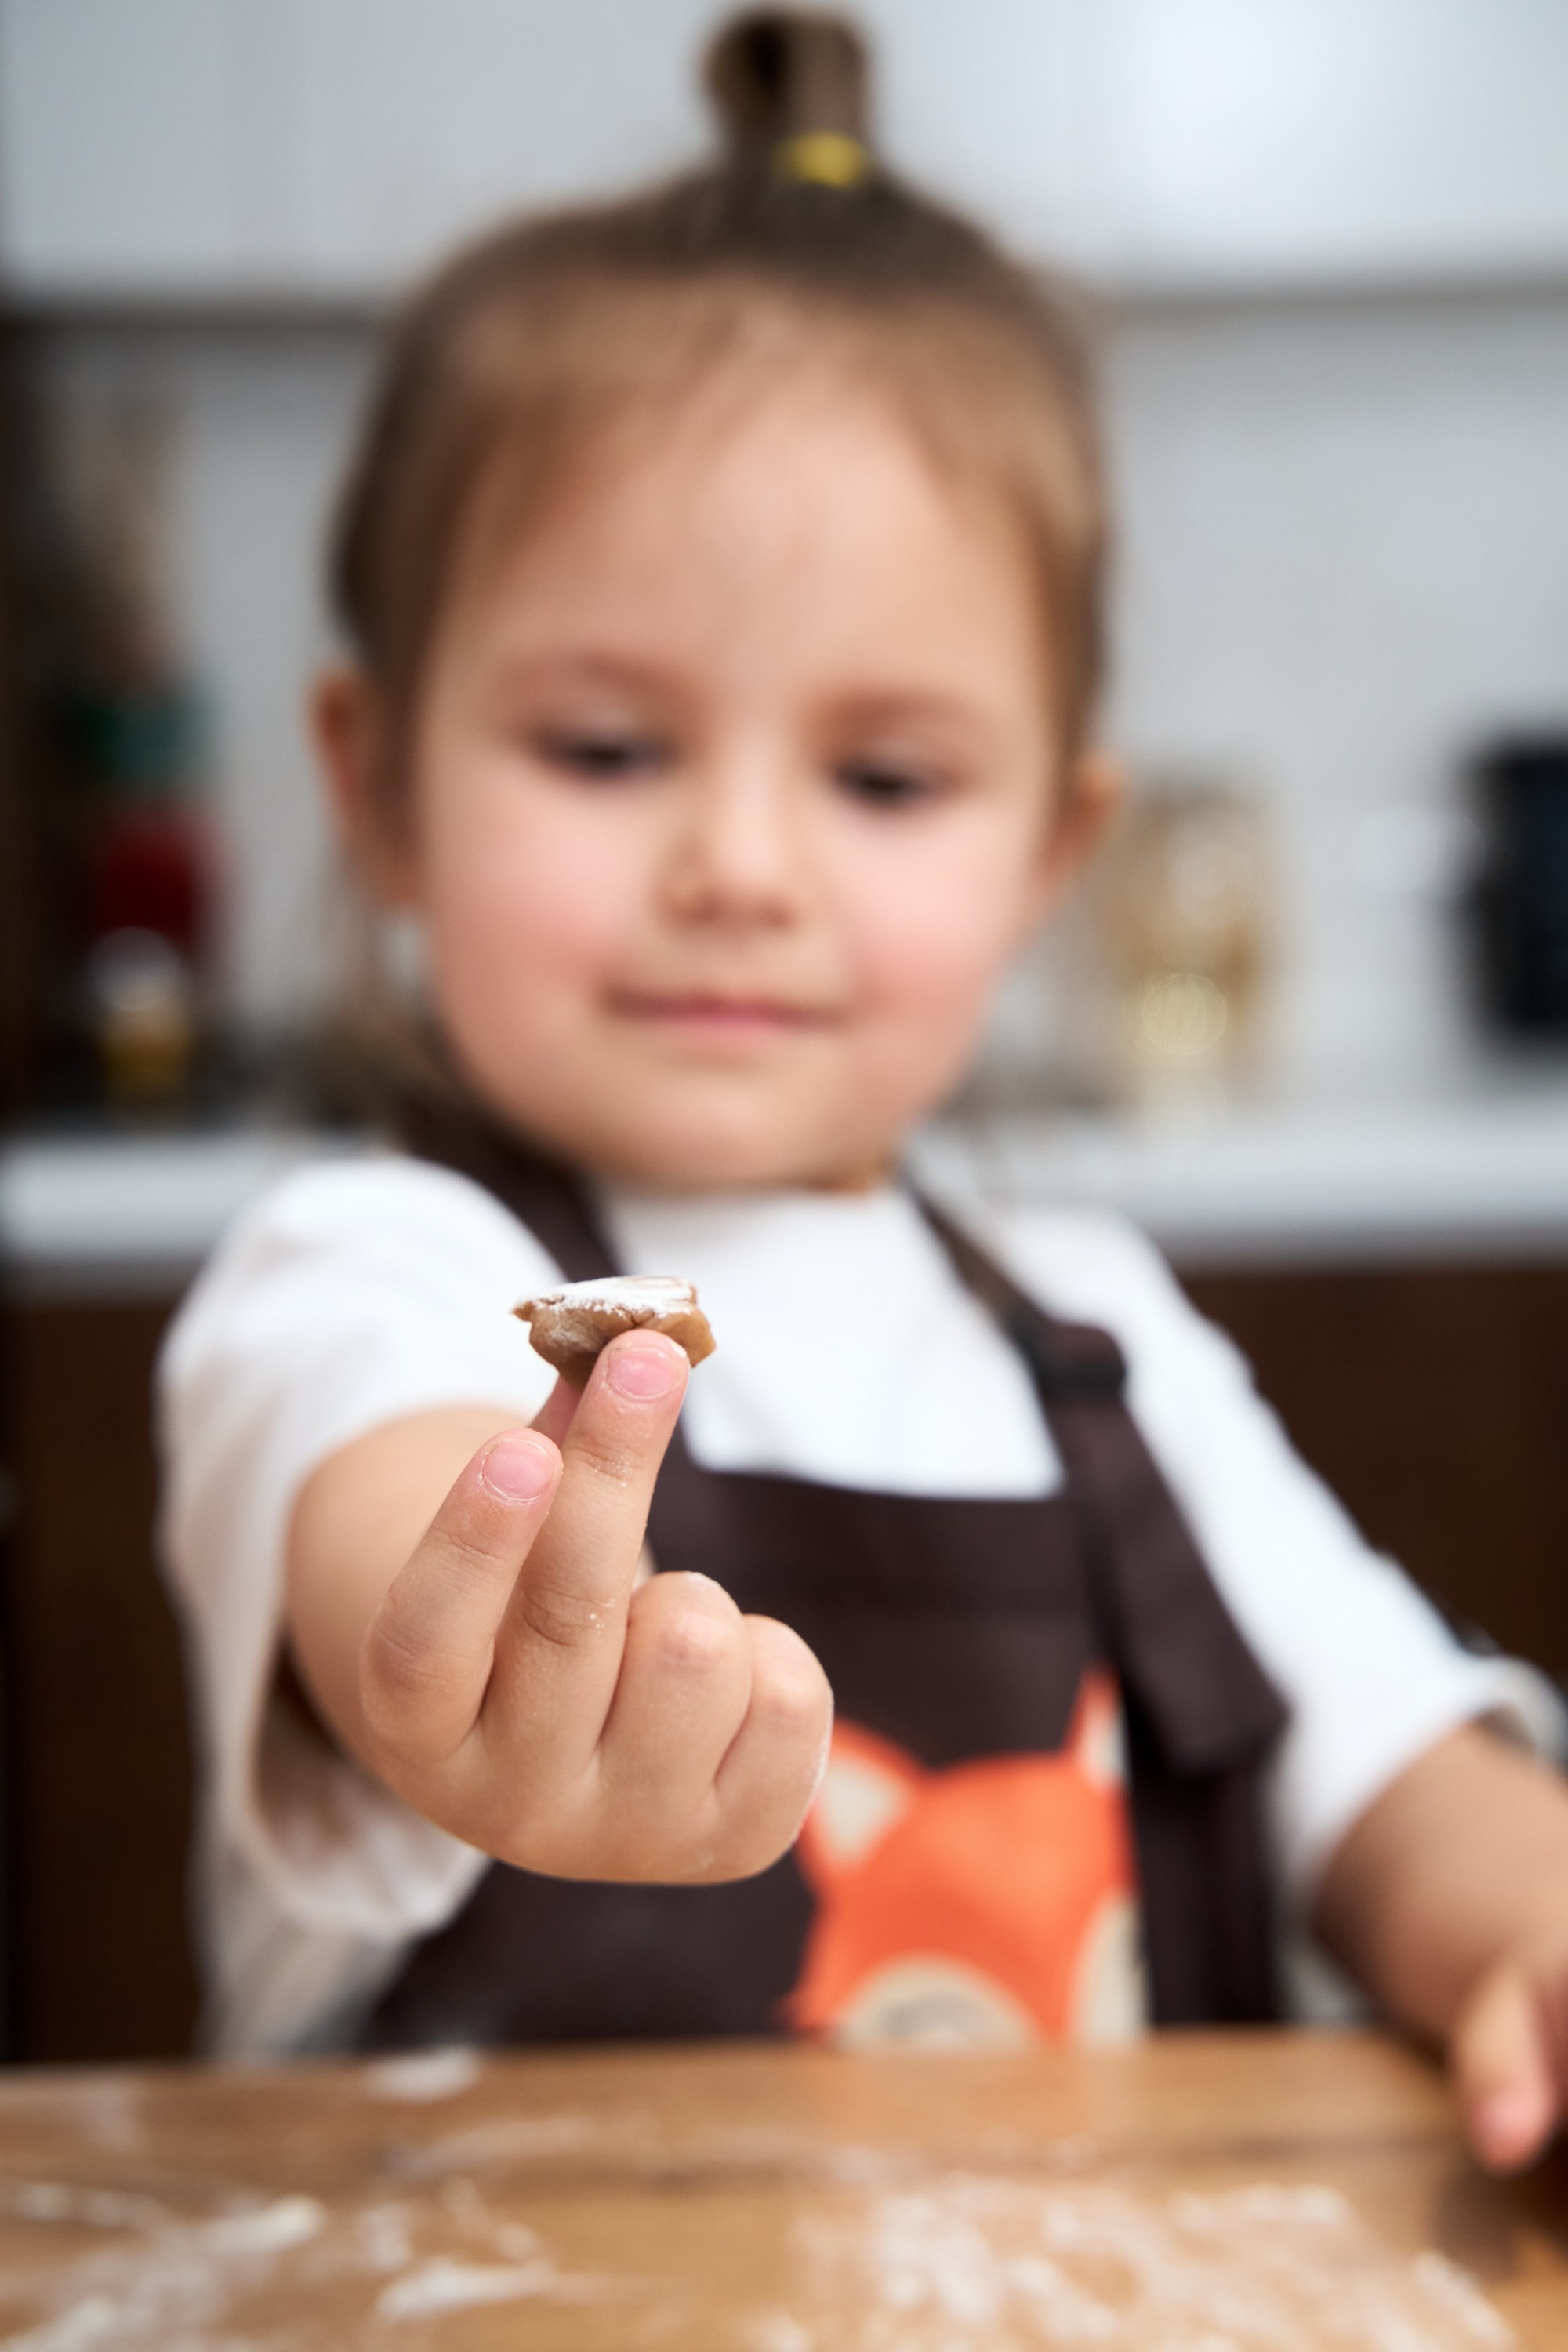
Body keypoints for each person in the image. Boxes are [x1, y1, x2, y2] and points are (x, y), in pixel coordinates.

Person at [161, 7, 1568, 2171]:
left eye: (887, 776)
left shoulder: (1099, 1338)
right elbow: (389, 1524)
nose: (741, 870)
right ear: (379, 789)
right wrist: (497, 1663)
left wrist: (1531, 1928)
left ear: (1048, 857)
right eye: (607, 749)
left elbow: (1386, 1779)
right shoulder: (372, 1267)